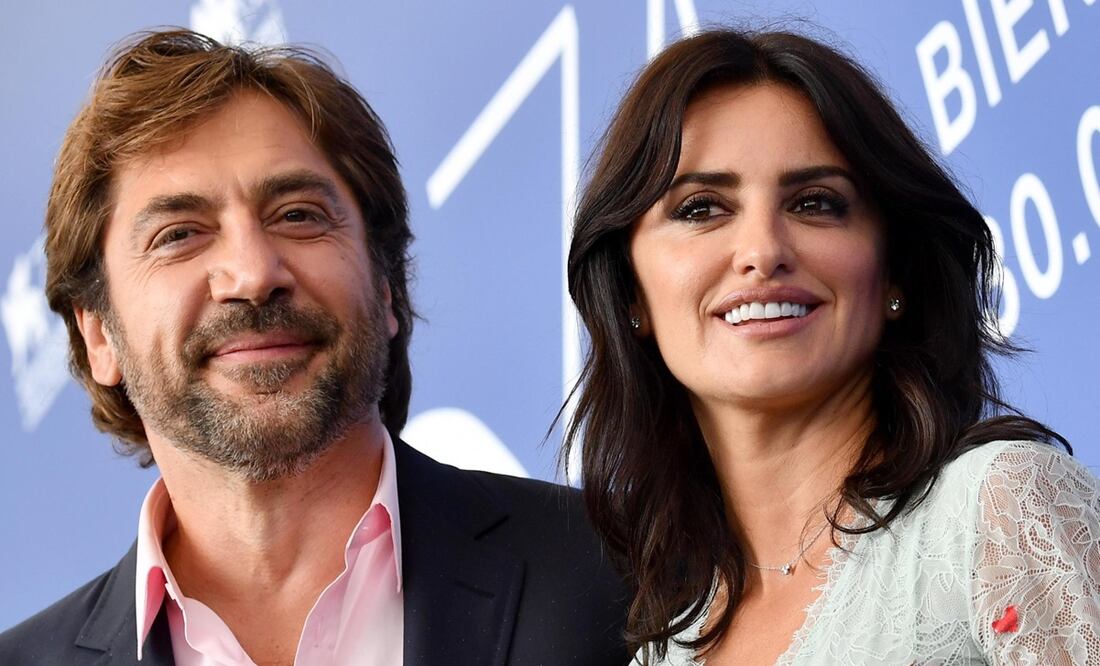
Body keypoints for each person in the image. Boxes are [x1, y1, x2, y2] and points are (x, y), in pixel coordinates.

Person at [0, 29, 627, 665]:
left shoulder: (626, 577)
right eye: (179, 234)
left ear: (386, 287)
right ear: (97, 333)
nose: (252, 273)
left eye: (298, 215)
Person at [564, 28, 1100, 665]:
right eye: (703, 209)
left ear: (894, 269)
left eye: (815, 203)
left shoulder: (999, 512)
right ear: (630, 293)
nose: (763, 251)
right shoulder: (661, 650)